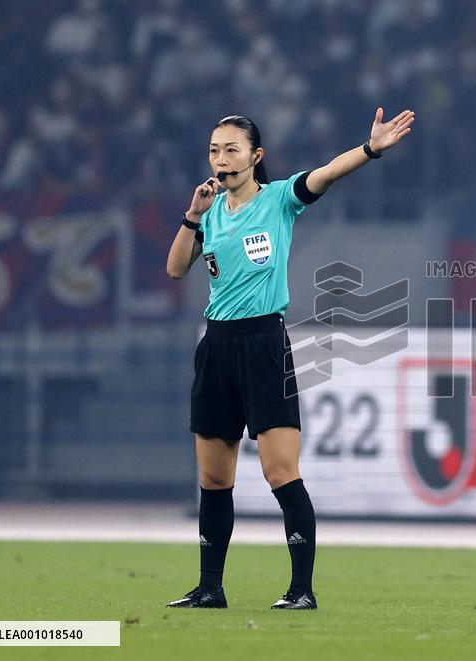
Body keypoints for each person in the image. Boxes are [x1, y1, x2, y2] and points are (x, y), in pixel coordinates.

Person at [164, 108, 415, 610]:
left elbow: (327, 172)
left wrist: (370, 149)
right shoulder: (209, 213)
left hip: (263, 343)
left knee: (280, 472)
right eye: (214, 150)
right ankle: (210, 588)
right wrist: (192, 215)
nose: (221, 159)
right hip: (216, 345)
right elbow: (175, 269)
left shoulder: (279, 199)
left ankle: (302, 590)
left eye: (231, 149)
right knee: (214, 479)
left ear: (256, 156)